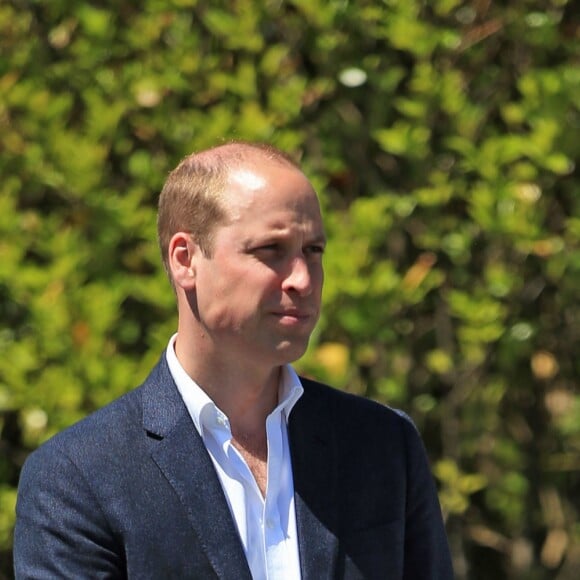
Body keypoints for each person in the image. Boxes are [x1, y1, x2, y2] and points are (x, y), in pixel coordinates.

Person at [14, 142, 454, 579]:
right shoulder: (79, 477)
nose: (302, 278)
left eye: (313, 251)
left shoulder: (383, 446)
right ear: (185, 259)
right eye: (270, 251)